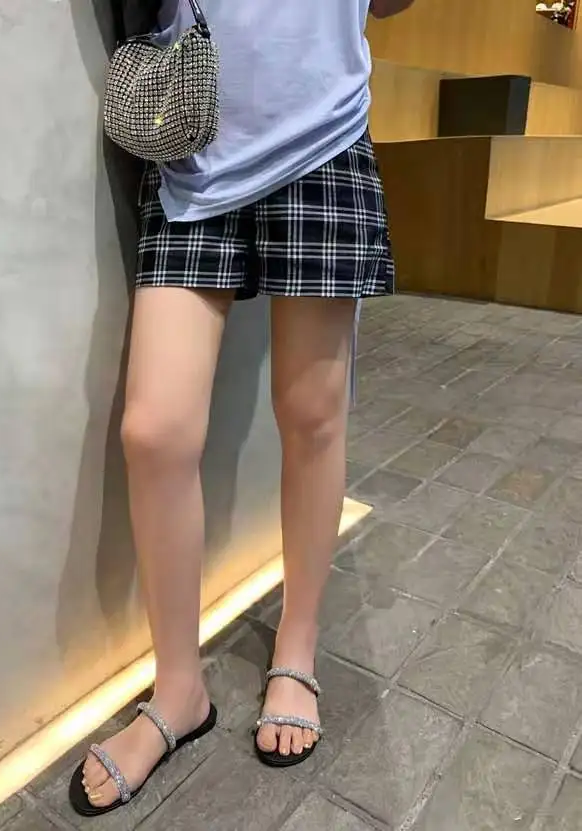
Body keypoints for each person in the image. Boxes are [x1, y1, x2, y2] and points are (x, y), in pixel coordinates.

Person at [70, 0, 414, 816]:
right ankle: (180, 689)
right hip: (192, 140)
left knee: (313, 416)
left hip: (325, 133)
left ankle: (296, 647)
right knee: (155, 431)